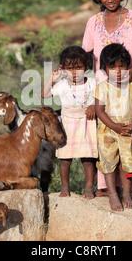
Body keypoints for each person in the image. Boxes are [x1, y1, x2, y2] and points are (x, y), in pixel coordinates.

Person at [82, 0, 132, 204]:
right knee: (108, 137)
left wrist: (131, 71)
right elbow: (88, 55)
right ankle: (107, 187)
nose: (110, 0)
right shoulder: (93, 22)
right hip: (105, 89)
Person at [41, 46, 97, 199]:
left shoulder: (92, 83)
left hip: (87, 123)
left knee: (88, 159)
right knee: (65, 159)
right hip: (67, 125)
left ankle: (89, 188)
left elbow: (102, 98)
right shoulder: (62, 85)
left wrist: (94, 106)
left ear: (86, 67)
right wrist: (53, 78)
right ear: (63, 69)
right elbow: (44, 95)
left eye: (79, 67)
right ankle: (65, 188)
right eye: (70, 68)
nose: (75, 72)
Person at [95, 43, 132, 211]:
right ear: (104, 69)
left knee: (126, 163)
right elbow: (100, 111)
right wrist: (114, 126)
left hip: (127, 130)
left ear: (127, 67)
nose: (118, 71)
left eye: (122, 66)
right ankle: (113, 195)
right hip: (108, 132)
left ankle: (127, 194)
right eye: (112, 67)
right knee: (109, 163)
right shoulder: (102, 88)